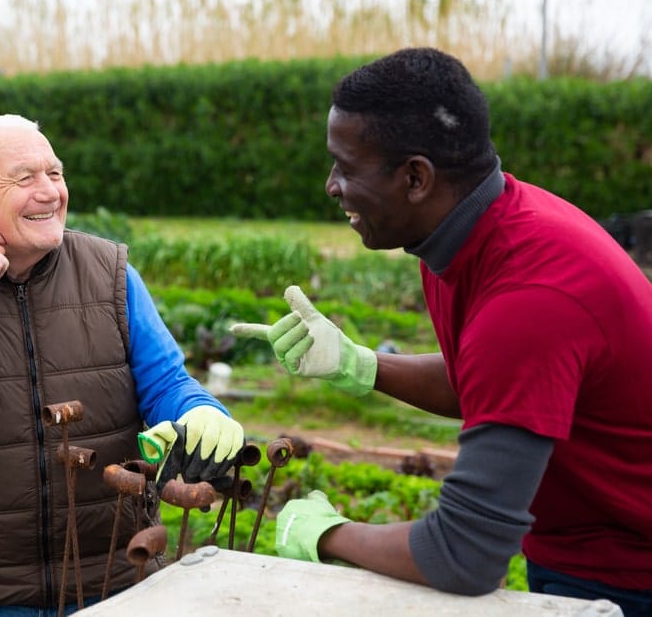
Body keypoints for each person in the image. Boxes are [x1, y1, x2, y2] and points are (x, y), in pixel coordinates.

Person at [232, 47, 652, 615]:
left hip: (628, 574)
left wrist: (329, 534)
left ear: (415, 178)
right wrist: (362, 365)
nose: (332, 186)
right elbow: (490, 387)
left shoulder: (530, 298)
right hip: (578, 547)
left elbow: (465, 553)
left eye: (346, 166)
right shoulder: (470, 233)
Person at [0, 114, 244, 616]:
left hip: (117, 577)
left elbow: (165, 384)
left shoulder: (111, 276)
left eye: (55, 173)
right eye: (24, 177)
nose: (49, 192)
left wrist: (201, 411)